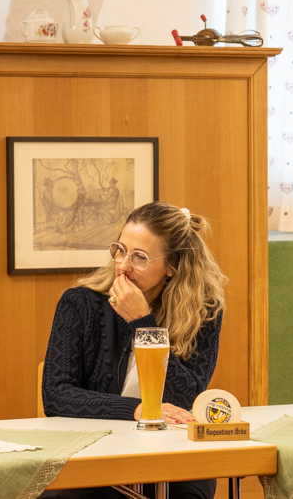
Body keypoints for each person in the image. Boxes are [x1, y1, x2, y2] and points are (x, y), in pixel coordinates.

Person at [41, 202, 228, 499]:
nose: (123, 265)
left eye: (140, 257)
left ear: (172, 267)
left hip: (172, 450)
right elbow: (56, 396)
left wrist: (143, 324)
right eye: (121, 250)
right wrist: (138, 410)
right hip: (95, 449)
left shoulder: (203, 311)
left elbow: (187, 396)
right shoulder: (79, 303)